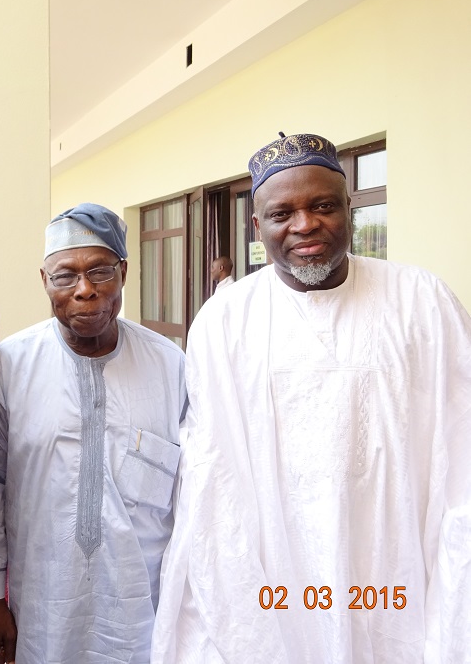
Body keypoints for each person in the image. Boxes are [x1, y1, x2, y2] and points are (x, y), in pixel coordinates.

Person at [152, 133, 471, 662]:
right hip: (278, 577)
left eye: (323, 205)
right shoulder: (227, 321)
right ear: (258, 227)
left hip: (396, 572)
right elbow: (215, 477)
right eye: (283, 213)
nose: (304, 225)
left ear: (350, 208)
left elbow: (461, 446)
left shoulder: (422, 301)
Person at [0, 203, 187, 664]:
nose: (84, 290)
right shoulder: (12, 364)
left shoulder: (170, 366)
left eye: (100, 271)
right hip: (43, 606)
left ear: (124, 272)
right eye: (65, 275)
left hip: (146, 608)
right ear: (44, 281)